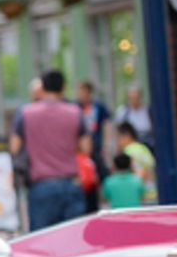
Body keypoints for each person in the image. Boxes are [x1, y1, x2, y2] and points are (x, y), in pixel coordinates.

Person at [10, 69, 91, 231]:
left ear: (43, 88)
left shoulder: (25, 113)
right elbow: (86, 148)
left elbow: (14, 147)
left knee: (41, 243)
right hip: (71, 183)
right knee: (73, 239)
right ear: (63, 88)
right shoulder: (75, 112)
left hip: (40, 185)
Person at [75, 80, 112, 213]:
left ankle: (99, 201)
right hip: (80, 151)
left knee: (98, 175)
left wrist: (107, 145)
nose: (80, 95)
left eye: (83, 92)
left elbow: (106, 124)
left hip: (96, 147)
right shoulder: (75, 107)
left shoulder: (98, 107)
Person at [114, 122, 156, 204]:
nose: (118, 142)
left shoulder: (130, 151)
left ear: (127, 136)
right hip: (153, 193)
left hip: (143, 197)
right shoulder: (143, 148)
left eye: (118, 138)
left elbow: (140, 174)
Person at [115, 84, 155, 153]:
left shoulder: (148, 111)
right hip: (130, 147)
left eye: (136, 97)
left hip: (148, 146)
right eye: (132, 98)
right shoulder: (122, 112)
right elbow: (119, 132)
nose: (134, 100)